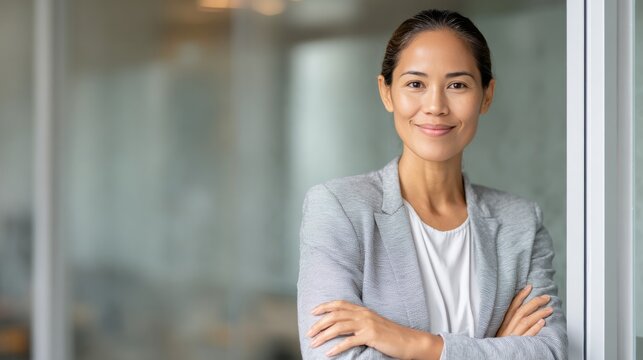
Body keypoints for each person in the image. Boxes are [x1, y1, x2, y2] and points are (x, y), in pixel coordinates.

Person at [296, 9, 567, 360]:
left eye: (457, 85)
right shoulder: (338, 207)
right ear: (387, 92)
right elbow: (332, 356)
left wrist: (413, 343)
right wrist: (494, 348)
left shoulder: (521, 223)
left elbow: (550, 352)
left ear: (486, 95)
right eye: (415, 84)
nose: (436, 106)